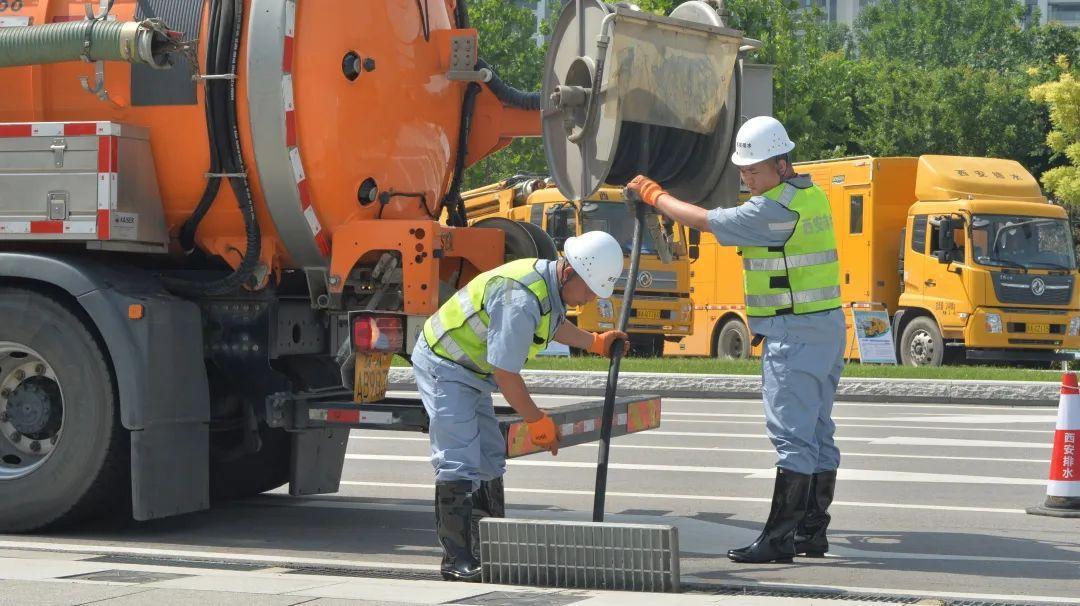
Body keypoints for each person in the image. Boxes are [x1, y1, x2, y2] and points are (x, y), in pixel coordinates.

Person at [627, 116, 845, 564]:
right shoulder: (811, 194)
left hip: (794, 333)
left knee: (792, 439)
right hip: (824, 329)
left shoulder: (770, 210)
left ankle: (780, 539)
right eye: (742, 170)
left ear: (782, 164)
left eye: (755, 169)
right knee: (819, 432)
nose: (747, 177)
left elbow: (705, 221)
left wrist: (655, 195)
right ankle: (811, 532)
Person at [413, 230, 629, 582]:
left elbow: (553, 323)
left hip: (471, 371)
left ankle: (487, 546)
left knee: (489, 455)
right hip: (445, 365)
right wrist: (537, 421)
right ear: (569, 270)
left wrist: (594, 342)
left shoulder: (548, 286)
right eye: (589, 289)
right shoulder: (519, 297)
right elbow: (506, 374)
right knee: (458, 458)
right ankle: (457, 559)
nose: (589, 300)